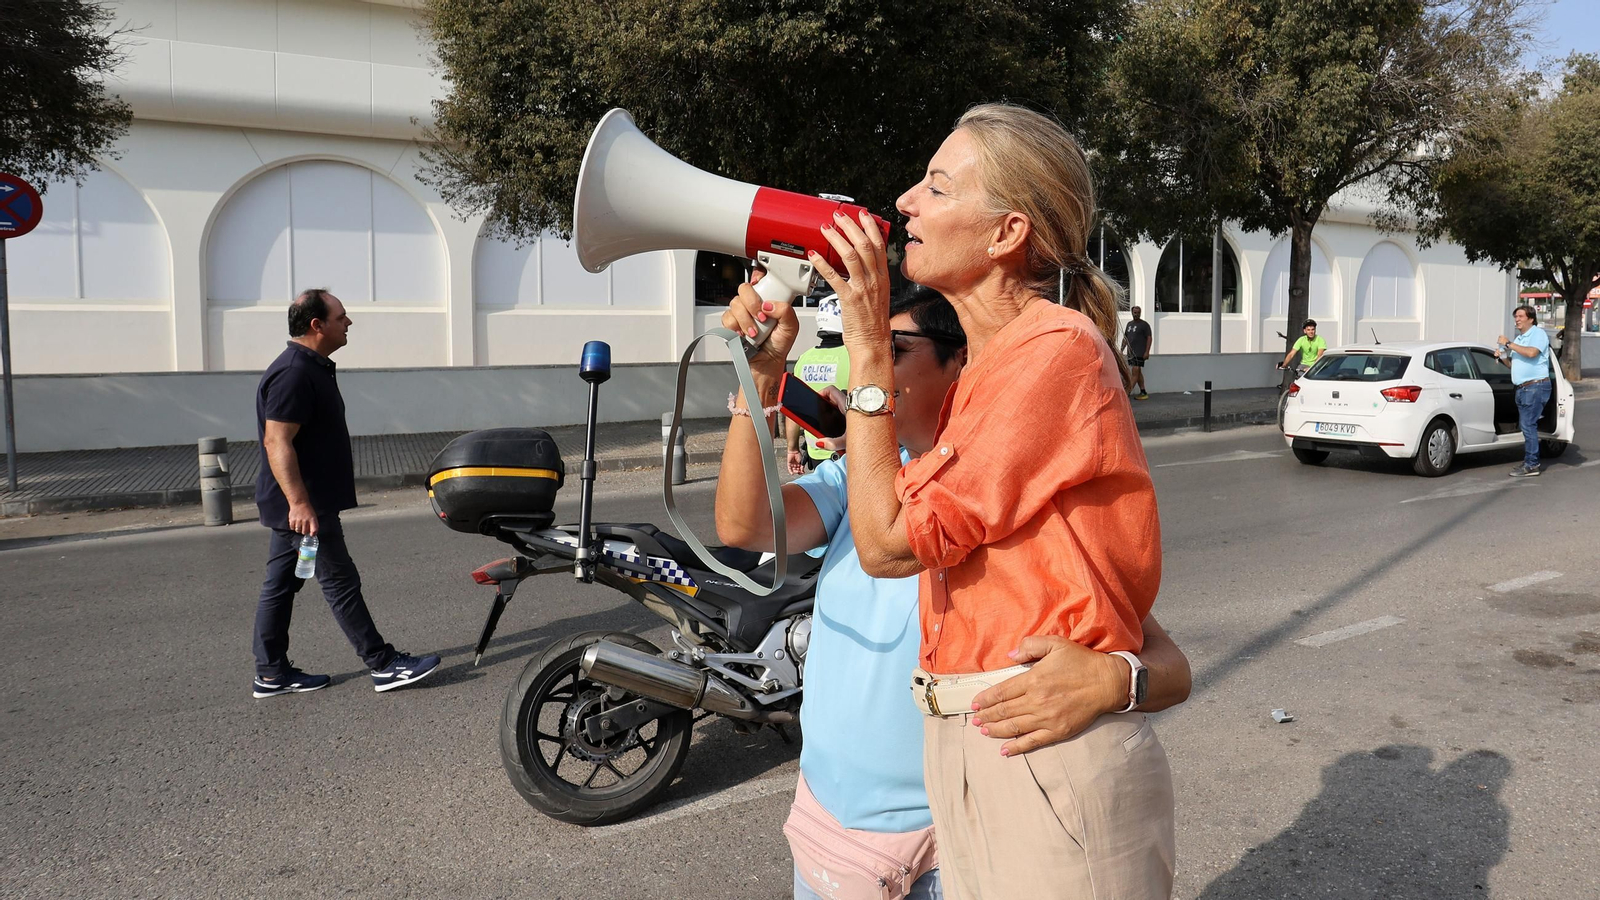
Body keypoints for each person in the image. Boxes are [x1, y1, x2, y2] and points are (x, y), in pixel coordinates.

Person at [716, 282, 1192, 900]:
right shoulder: (859, 483)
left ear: (961, 362)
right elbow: (745, 525)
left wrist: (1113, 681)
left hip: (952, 845)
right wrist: (759, 378)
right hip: (830, 831)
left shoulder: (1005, 495)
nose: (869, 365)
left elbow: (1166, 663)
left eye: (893, 348)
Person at [810, 103, 1173, 899]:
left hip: (1039, 755)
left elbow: (888, 543)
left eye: (938, 187)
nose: (906, 201)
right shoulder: (989, 371)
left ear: (1007, 234)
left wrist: (869, 348)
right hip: (977, 744)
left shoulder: (1055, 351)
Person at [251, 288, 441, 698]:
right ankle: (383, 664)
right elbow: (276, 441)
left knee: (282, 585)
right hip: (305, 508)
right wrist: (300, 503)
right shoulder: (294, 373)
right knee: (340, 582)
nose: (349, 322)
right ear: (317, 325)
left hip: (300, 506)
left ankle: (271, 673)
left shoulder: (309, 367)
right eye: (341, 317)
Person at [784, 294, 851, 474]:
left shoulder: (804, 359)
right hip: (849, 450)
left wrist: (792, 448)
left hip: (817, 453)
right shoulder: (854, 356)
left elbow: (793, 410)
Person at [1495, 304, 1553, 477]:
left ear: (1531, 319)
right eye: (1516, 317)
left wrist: (1508, 343)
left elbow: (1532, 353)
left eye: (1520, 316)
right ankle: (1530, 461)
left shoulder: (1538, 334)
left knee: (1528, 425)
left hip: (1535, 386)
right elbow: (1512, 365)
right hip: (1522, 388)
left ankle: (1532, 464)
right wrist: (1502, 355)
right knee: (1527, 426)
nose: (1517, 320)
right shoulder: (1519, 339)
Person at [1121, 305, 1153, 400]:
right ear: (1132, 313)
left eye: (1138, 313)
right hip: (1131, 353)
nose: (1136, 314)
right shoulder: (1129, 324)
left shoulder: (1144, 325)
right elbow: (1125, 338)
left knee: (1135, 372)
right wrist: (1121, 350)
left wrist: (1147, 352)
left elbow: (1149, 338)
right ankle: (1143, 392)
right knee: (1138, 372)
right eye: (1135, 312)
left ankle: (1127, 393)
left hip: (1139, 353)